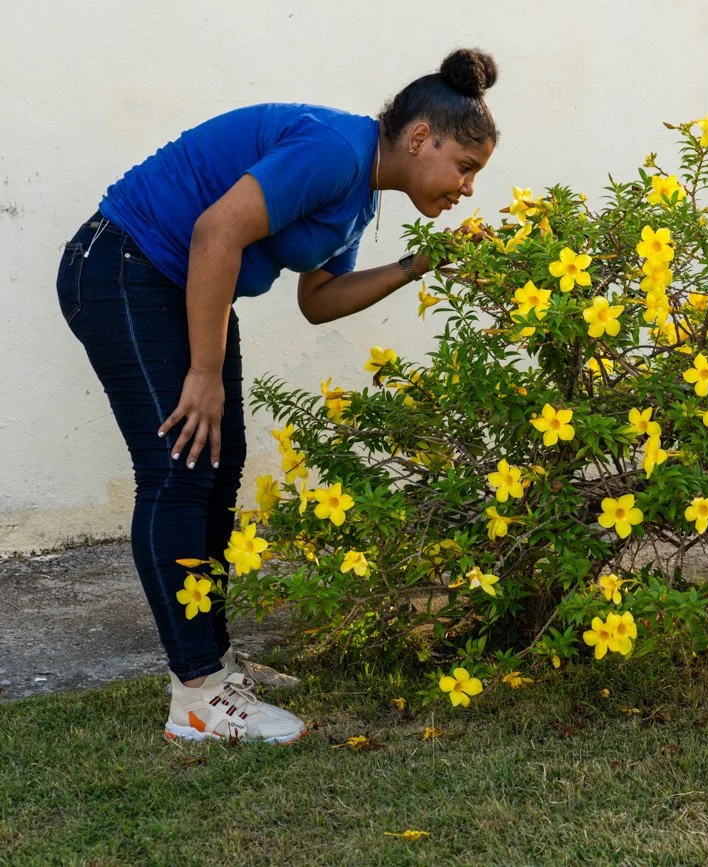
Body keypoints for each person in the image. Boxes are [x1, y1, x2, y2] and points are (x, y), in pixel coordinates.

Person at [55, 48, 499, 745]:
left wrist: (420, 264)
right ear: (421, 138)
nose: (468, 187)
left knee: (216, 468)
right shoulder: (336, 151)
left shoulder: (358, 197)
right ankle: (197, 696)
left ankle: (215, 665)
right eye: (466, 166)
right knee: (176, 471)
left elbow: (318, 301)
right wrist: (202, 373)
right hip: (125, 267)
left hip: (177, 283)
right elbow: (216, 230)